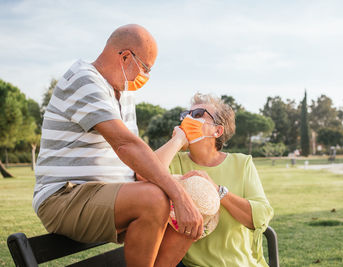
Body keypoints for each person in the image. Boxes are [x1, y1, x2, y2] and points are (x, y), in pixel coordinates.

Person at [33, 24, 203, 267]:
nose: (145, 77)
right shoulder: (84, 79)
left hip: (111, 194)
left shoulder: (124, 95)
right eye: (145, 68)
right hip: (65, 196)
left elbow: (139, 169)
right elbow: (126, 145)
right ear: (125, 56)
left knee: (198, 195)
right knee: (157, 199)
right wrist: (177, 194)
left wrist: (183, 187)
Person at [151, 93, 274, 266]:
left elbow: (261, 217)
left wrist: (217, 191)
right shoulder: (174, 161)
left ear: (218, 130)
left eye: (198, 114)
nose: (188, 119)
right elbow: (146, 172)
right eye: (185, 115)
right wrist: (177, 140)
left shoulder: (242, 163)